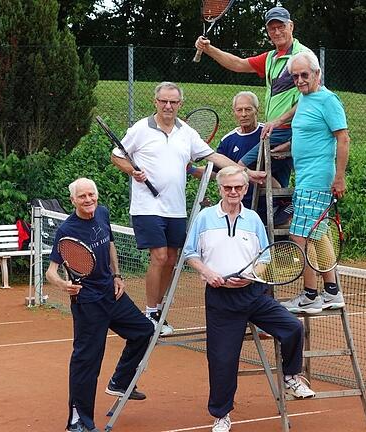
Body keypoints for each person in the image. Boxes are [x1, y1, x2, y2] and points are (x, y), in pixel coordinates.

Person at [111, 82, 265, 337]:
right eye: (163, 101)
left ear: (180, 104)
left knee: (172, 260)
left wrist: (246, 172)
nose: (168, 106)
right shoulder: (140, 129)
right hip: (147, 207)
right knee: (159, 256)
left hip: (176, 209)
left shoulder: (187, 132)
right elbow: (117, 155)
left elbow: (214, 158)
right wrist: (132, 170)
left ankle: (159, 311)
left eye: (173, 102)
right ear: (155, 102)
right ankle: (149, 312)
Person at [183, 166, 315, 432]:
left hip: (253, 294)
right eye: (228, 187)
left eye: (238, 188)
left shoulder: (253, 219)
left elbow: (264, 258)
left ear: (245, 189)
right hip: (220, 299)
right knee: (222, 360)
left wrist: (251, 276)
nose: (233, 192)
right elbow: (189, 253)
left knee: (292, 328)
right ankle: (221, 416)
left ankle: (291, 376)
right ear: (219, 188)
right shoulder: (205, 218)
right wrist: (208, 273)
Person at [45, 178, 154, 432]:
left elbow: (111, 245)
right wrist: (64, 286)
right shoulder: (67, 231)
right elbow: (51, 271)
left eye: (91, 194)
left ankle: (120, 380)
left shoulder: (102, 213)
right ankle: (78, 421)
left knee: (144, 331)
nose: (88, 200)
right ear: (73, 200)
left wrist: (117, 275)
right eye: (82, 196)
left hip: (112, 295)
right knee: (87, 361)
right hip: (87, 302)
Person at [195, 6, 307, 220]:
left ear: (291, 26)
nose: (276, 32)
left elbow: (311, 99)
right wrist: (210, 50)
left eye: (281, 26)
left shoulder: (303, 57)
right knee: (254, 169)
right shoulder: (271, 58)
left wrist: (280, 122)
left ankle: (284, 203)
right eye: (272, 28)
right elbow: (238, 64)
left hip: (289, 128)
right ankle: (279, 205)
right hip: (277, 129)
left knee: (241, 166)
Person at [265, 50, 350, 314]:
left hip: (317, 179)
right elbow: (302, 127)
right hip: (305, 178)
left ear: (317, 74)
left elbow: (343, 139)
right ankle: (329, 292)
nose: (300, 80)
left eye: (304, 75)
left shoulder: (328, 100)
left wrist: (339, 177)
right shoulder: (306, 99)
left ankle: (313, 295)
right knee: (316, 233)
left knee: (301, 236)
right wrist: (282, 137)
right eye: (295, 76)